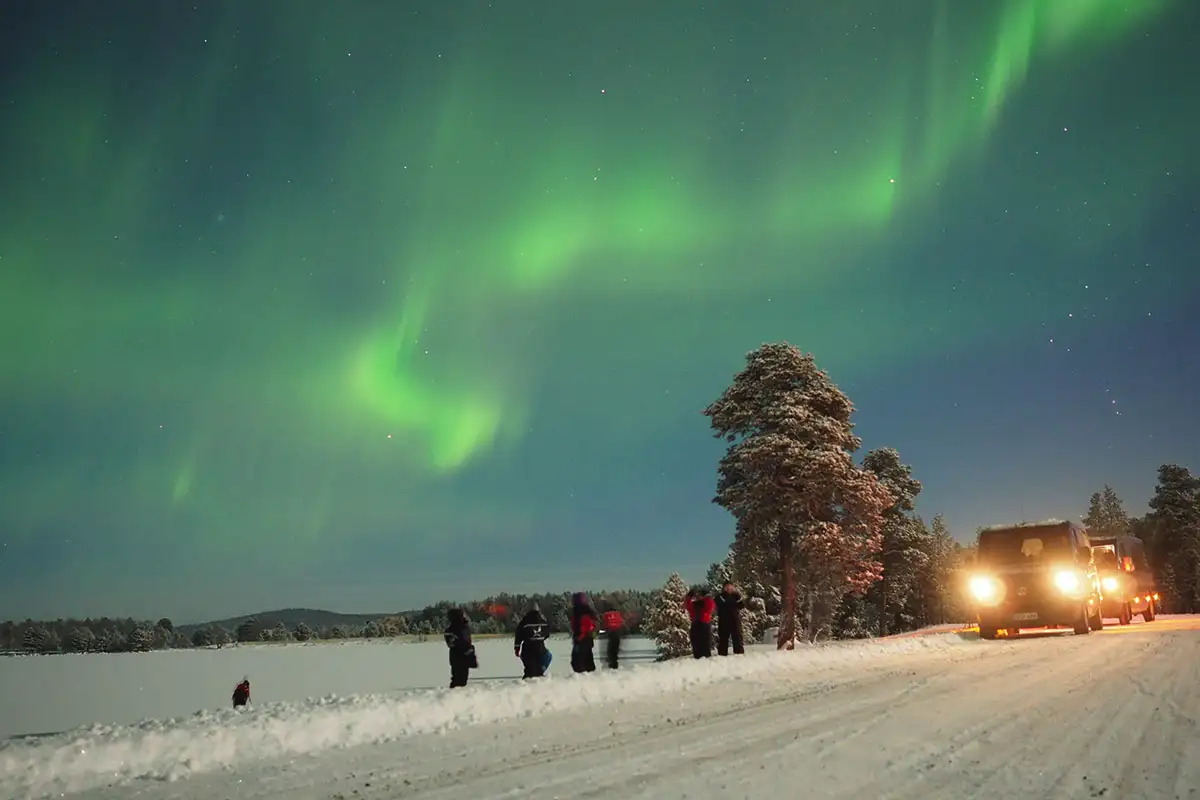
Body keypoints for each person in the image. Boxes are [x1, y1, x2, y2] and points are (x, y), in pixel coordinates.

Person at [443, 608, 477, 688]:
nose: (465, 616)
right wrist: (469, 650)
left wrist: (471, 652)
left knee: (462, 681)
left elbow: (466, 642)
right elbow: (455, 644)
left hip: (464, 658)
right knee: (458, 682)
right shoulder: (453, 629)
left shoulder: (463, 628)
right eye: (463, 615)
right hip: (458, 659)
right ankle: (451, 698)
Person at [514, 603, 550, 679]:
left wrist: (517, 648)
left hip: (528, 650)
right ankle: (540, 675)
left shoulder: (525, 621)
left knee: (529, 671)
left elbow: (519, 634)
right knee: (548, 657)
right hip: (541, 650)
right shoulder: (543, 621)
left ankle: (525, 684)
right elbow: (547, 633)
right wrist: (539, 639)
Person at [569, 592, 599, 673]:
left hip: (581, 640)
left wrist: (579, 637)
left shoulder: (579, 612)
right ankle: (591, 679)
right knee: (588, 661)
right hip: (588, 639)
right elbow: (593, 625)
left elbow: (583, 626)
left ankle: (582, 680)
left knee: (577, 662)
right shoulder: (589, 612)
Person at [714, 582, 746, 656]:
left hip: (735, 620)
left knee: (737, 637)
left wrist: (738, 598)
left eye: (731, 587)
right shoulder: (720, 597)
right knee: (723, 639)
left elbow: (742, 605)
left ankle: (739, 654)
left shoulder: (736, 596)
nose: (729, 589)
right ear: (724, 588)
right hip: (724, 621)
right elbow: (717, 605)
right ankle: (722, 655)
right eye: (727, 587)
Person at [685, 587, 716, 659]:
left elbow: (710, 607)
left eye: (699, 595)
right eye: (696, 595)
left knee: (705, 642)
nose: (697, 596)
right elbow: (688, 606)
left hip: (704, 623)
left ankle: (706, 658)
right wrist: (688, 597)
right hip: (695, 624)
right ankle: (697, 657)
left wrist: (707, 596)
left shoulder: (707, 601)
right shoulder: (694, 604)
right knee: (695, 642)